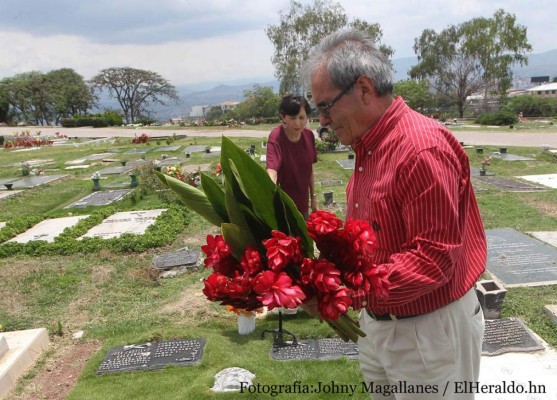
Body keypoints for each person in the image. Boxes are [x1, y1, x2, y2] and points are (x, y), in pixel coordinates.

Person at [300, 29, 487, 400]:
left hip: (428, 332)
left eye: (325, 106)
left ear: (364, 89)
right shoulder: (370, 147)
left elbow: (432, 259)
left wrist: (344, 291)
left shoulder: (420, 148)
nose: (321, 121)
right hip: (380, 324)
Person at [266, 95, 318, 219]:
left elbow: (309, 168)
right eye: (292, 118)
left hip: (303, 206)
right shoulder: (276, 137)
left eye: (302, 117)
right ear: (283, 117)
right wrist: (269, 192)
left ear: (307, 117)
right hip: (283, 208)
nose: (298, 123)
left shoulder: (309, 136)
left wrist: (313, 196)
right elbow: (272, 170)